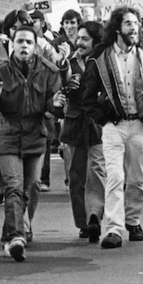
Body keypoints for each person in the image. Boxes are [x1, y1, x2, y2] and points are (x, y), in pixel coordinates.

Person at [0, 25, 65, 262]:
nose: (24, 46)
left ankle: (16, 230)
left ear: (35, 47)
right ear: (12, 45)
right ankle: (16, 237)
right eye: (20, 42)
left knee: (32, 186)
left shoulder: (48, 71)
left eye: (28, 42)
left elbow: (54, 107)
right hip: (7, 135)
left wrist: (55, 104)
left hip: (36, 136)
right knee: (13, 186)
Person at [82, 7, 143, 249]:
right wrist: (105, 119)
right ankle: (114, 229)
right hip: (114, 127)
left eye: (136, 23)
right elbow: (88, 99)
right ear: (117, 28)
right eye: (129, 23)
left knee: (137, 179)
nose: (134, 28)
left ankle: (133, 220)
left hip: (139, 125)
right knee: (115, 177)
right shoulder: (100, 59)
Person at [58, 20, 107, 243]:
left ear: (96, 41)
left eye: (84, 38)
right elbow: (58, 87)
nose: (79, 42)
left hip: (97, 123)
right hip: (75, 122)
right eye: (78, 38)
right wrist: (66, 84)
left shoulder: (105, 61)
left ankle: (94, 217)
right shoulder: (68, 62)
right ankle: (82, 222)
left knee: (96, 170)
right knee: (76, 175)